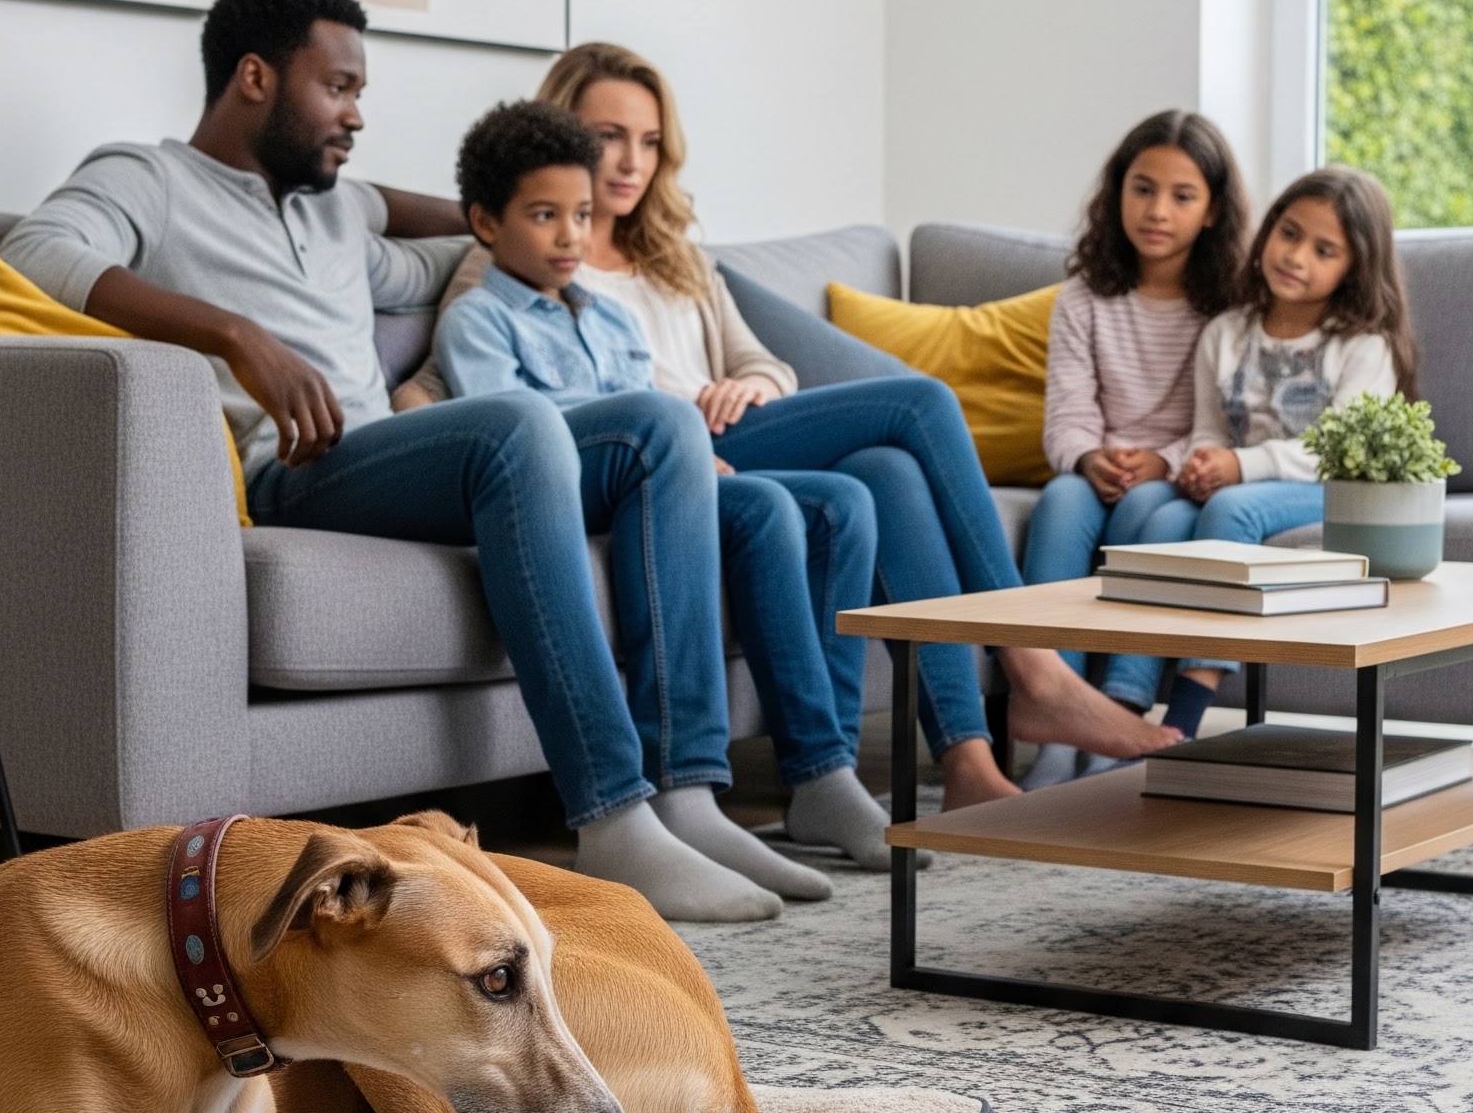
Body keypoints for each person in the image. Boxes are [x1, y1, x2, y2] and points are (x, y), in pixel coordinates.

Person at [0, 0, 783, 925]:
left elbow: (464, 222)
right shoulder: (145, 178)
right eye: (340, 88)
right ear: (254, 78)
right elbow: (36, 254)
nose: (358, 114)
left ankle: (687, 791)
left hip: (390, 456)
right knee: (520, 424)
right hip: (295, 467)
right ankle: (611, 813)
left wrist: (519, 204)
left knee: (658, 428)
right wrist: (240, 338)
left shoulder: (337, 207)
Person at [530, 41, 1178, 810]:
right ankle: (1035, 667)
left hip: (736, 430)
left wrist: (749, 384)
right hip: (668, 459)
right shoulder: (537, 253)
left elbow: (767, 362)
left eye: (648, 141)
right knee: (920, 403)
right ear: (562, 133)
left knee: (889, 473)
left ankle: (968, 761)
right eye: (609, 137)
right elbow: (467, 376)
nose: (631, 161)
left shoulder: (676, 258)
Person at [432, 98, 884, 891]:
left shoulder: (606, 319)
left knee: (789, 506)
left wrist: (686, 459)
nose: (572, 235)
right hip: (559, 490)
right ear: (485, 222)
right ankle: (684, 788)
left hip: (644, 484)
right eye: (545, 216)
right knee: (673, 432)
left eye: (579, 213)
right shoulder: (478, 319)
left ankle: (816, 771)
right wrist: (668, 437)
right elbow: (510, 430)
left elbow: (647, 402)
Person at [1017, 112, 1249, 787]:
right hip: (1097, 467)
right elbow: (1065, 415)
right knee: (1060, 501)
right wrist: (1089, 458)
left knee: (1152, 509)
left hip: (1175, 473)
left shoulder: (1228, 307)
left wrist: (1165, 462)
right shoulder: (1084, 298)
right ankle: (1053, 715)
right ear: (1117, 192)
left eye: (1183, 196)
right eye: (1142, 189)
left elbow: (1225, 421)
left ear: (1211, 211)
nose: (1157, 211)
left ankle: (1114, 712)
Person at [1177, 165, 1412, 542]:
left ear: (1354, 268)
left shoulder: (1363, 347)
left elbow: (1340, 454)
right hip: (1239, 478)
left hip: (1327, 486)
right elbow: (1210, 431)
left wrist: (1242, 464)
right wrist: (1202, 465)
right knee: (1152, 512)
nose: (1296, 257)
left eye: (1324, 251)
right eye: (1289, 234)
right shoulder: (1224, 333)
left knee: (1230, 510)